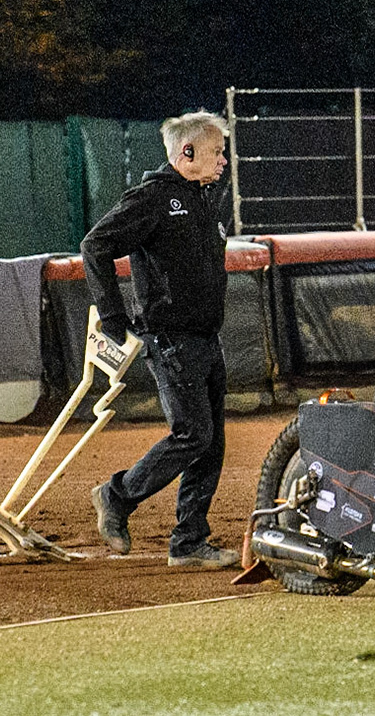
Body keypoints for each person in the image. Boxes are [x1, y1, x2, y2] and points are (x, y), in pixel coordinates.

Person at [81, 109, 238, 568]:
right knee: (193, 435)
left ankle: (189, 543)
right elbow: (96, 245)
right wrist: (112, 315)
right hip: (172, 339)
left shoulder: (204, 198)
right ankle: (116, 494)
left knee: (210, 443)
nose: (224, 160)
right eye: (216, 151)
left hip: (206, 339)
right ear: (186, 153)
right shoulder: (154, 197)